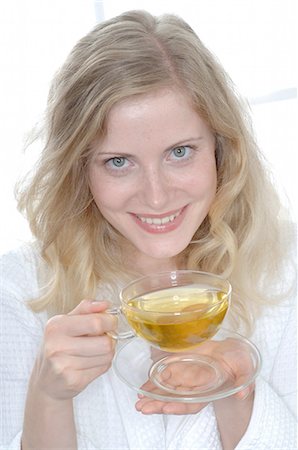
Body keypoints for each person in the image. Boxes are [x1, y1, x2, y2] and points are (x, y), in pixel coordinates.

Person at [0, 9, 296, 450]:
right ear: (79, 169)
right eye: (118, 162)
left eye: (180, 152)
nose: (156, 198)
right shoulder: (20, 288)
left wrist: (237, 390)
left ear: (221, 148)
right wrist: (48, 395)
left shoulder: (286, 268)